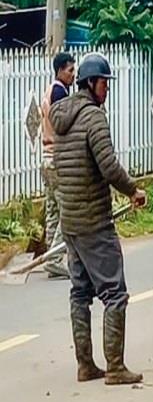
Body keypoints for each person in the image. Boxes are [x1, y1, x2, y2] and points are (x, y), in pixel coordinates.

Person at [49, 53, 147, 384]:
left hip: (71, 222)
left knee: (80, 293)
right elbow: (108, 167)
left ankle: (85, 365)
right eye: (105, 83)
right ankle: (116, 368)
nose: (107, 89)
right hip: (94, 221)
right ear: (91, 83)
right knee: (114, 293)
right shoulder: (93, 118)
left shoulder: (62, 116)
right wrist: (133, 190)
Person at [41, 51, 75, 278]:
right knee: (68, 210)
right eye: (70, 70)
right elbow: (66, 124)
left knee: (53, 208)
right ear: (60, 70)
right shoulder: (60, 92)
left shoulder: (48, 90)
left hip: (46, 158)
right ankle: (54, 258)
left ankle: (49, 255)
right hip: (57, 158)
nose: (73, 75)